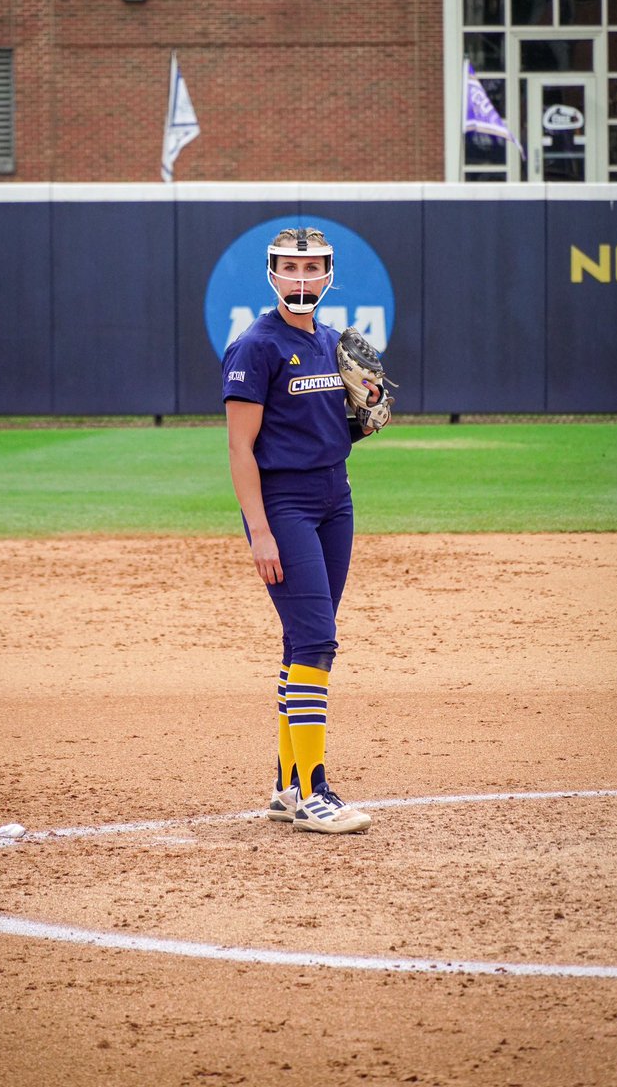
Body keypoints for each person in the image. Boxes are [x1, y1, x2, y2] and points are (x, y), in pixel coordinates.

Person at [222, 226, 384, 835]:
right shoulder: (255, 347)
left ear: (328, 275)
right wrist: (260, 532)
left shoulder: (328, 342)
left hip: (334, 500)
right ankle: (315, 792)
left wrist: (360, 420)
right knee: (317, 639)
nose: (300, 279)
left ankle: (286, 787)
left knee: (303, 642)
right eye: (289, 268)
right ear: (271, 275)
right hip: (283, 505)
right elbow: (240, 450)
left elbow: (333, 427)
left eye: (311, 268)